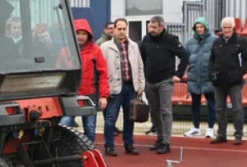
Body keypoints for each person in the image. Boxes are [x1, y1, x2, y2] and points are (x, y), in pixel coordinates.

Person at [140, 16, 189, 155]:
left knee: (166, 111)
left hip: (166, 81)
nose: (151, 30)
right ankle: (159, 139)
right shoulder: (146, 39)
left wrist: (178, 74)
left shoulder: (171, 40)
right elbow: (142, 57)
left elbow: (184, 56)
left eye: (154, 27)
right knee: (154, 111)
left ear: (162, 27)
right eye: (150, 27)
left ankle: (167, 142)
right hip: (150, 81)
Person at [58, 19, 109, 145]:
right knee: (64, 125)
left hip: (89, 95)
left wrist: (104, 96)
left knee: (90, 129)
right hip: (70, 96)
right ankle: (64, 151)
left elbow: (104, 74)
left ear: (89, 35)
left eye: (84, 33)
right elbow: (59, 73)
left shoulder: (96, 51)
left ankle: (89, 151)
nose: (81, 36)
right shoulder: (65, 51)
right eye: (78, 33)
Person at [101, 18, 144, 156]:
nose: (122, 32)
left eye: (124, 29)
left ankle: (129, 144)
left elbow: (139, 66)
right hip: (114, 88)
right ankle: (109, 146)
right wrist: (105, 88)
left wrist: (141, 84)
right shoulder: (105, 47)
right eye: (119, 29)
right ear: (114, 30)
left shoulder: (134, 46)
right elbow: (102, 69)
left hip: (131, 87)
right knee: (110, 118)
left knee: (129, 118)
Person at [208, 17, 247, 145]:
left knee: (237, 108)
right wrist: (211, 73)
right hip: (218, 81)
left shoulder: (241, 42)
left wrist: (239, 73)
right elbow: (211, 59)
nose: (226, 30)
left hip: (235, 82)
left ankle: (238, 134)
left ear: (233, 28)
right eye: (224, 27)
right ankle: (221, 134)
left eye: (229, 27)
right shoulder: (216, 42)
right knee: (219, 108)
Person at [183, 17, 218, 139]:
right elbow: (185, 59)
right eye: (197, 27)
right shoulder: (189, 42)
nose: (199, 29)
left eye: (201, 27)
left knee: (211, 105)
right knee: (195, 105)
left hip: (209, 78)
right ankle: (196, 128)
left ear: (205, 27)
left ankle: (210, 129)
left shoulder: (215, 40)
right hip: (194, 77)